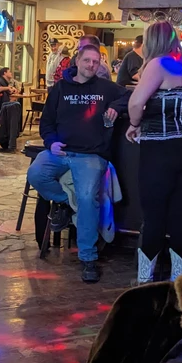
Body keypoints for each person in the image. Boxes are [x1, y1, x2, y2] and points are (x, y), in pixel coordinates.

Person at [28, 44, 125, 283]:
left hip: (91, 155)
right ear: (77, 61)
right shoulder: (60, 89)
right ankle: (67, 202)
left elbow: (131, 95)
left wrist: (115, 106)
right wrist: (51, 142)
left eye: (96, 62)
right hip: (60, 152)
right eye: (87, 61)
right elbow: (46, 123)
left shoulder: (106, 87)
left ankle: (88, 258)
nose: (91, 65)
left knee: (87, 197)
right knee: (36, 174)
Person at [127, 22, 182, 283]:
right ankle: (178, 283)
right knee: (181, 215)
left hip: (159, 151)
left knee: (154, 216)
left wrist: (134, 124)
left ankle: (145, 282)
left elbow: (136, 103)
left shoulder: (157, 64)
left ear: (151, 41)